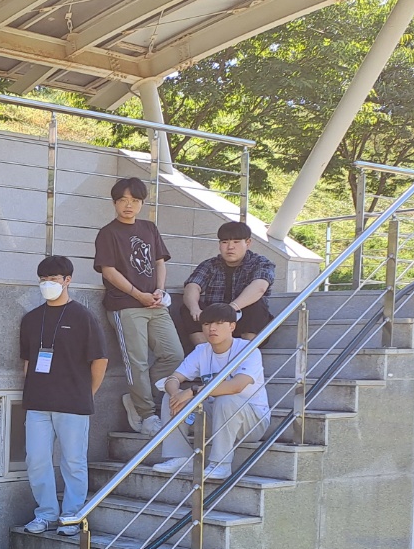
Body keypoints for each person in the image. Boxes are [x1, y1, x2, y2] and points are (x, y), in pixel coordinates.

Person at [18, 256, 108, 536]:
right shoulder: (31, 319)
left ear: (68, 280)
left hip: (73, 404)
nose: (48, 284)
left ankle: (71, 515)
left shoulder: (84, 317)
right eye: (43, 280)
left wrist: (86, 394)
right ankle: (46, 514)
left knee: (73, 461)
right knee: (36, 460)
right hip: (38, 403)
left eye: (54, 279)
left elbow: (100, 360)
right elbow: (27, 362)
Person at [94, 176, 181, 437]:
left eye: (134, 200)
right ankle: (146, 414)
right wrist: (137, 294)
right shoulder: (108, 233)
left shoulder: (149, 228)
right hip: (125, 306)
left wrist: (159, 290)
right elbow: (109, 271)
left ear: (142, 203)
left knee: (175, 355)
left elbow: (159, 262)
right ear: (114, 203)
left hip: (155, 304)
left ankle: (137, 398)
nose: (128, 205)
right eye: (123, 200)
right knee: (137, 362)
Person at [152, 302, 271, 481]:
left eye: (219, 324)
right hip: (215, 419)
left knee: (226, 398)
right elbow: (174, 378)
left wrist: (193, 391)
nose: (212, 329)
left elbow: (236, 386)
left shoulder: (248, 350)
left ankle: (221, 464)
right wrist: (175, 393)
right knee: (171, 397)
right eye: (207, 324)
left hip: (251, 422)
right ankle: (180, 457)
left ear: (232, 326)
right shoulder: (202, 350)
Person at [175, 221, 277, 351]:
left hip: (242, 319)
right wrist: (194, 308)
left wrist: (230, 309)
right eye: (224, 242)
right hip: (215, 323)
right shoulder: (210, 264)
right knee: (188, 307)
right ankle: (206, 352)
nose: (230, 247)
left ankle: (244, 352)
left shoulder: (261, 263)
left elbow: (259, 287)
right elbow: (192, 286)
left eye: (236, 242)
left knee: (256, 305)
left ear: (248, 243)